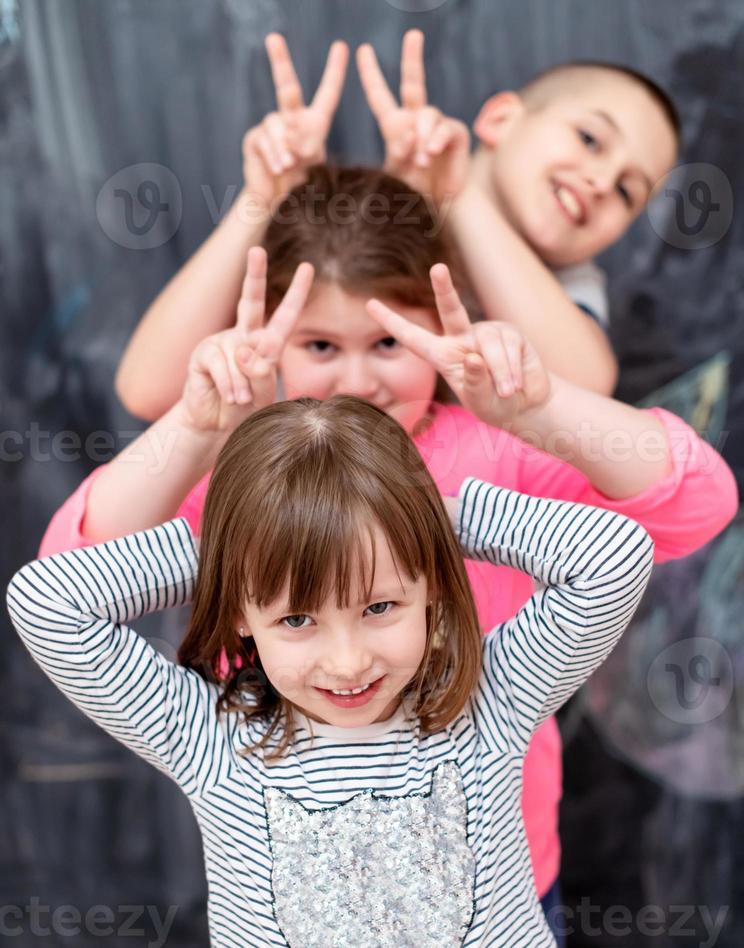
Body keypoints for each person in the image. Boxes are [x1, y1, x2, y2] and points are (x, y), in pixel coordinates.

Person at [38, 192, 738, 945]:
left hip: (518, 867)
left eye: (387, 345)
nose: (357, 382)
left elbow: (695, 505)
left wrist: (434, 503)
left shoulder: (490, 689)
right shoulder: (243, 492)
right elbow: (65, 583)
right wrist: (245, 523)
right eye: (319, 348)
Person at [9, 393, 656, 947]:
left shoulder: (491, 700)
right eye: (297, 620)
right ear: (241, 612)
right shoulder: (208, 737)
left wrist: (426, 523)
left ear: (428, 585)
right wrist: (243, 546)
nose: (348, 661)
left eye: (379, 607)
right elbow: (47, 603)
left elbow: (614, 558)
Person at [112, 31, 678, 421]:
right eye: (589, 139)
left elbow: (582, 388)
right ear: (501, 119)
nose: (602, 181)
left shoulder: (568, 288)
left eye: (629, 191)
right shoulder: (358, 225)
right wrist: (264, 201)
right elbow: (146, 389)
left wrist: (457, 196)